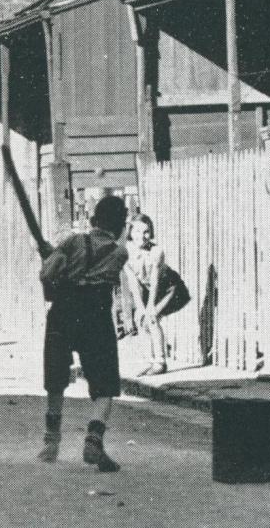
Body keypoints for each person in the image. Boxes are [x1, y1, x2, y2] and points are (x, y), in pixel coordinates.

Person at [37, 196, 129, 472]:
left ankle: (51, 442)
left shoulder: (72, 242)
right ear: (121, 226)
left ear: (92, 221)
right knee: (105, 382)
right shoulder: (119, 252)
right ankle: (94, 437)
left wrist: (50, 254)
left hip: (64, 311)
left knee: (56, 376)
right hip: (97, 314)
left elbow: (47, 275)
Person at [123, 214, 174, 376]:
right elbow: (132, 280)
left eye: (146, 232)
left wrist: (150, 305)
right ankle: (148, 360)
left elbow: (155, 281)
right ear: (130, 232)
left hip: (163, 287)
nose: (141, 236)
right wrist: (139, 306)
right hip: (143, 286)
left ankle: (160, 361)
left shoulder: (156, 251)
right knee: (140, 320)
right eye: (137, 231)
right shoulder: (125, 252)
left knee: (152, 319)